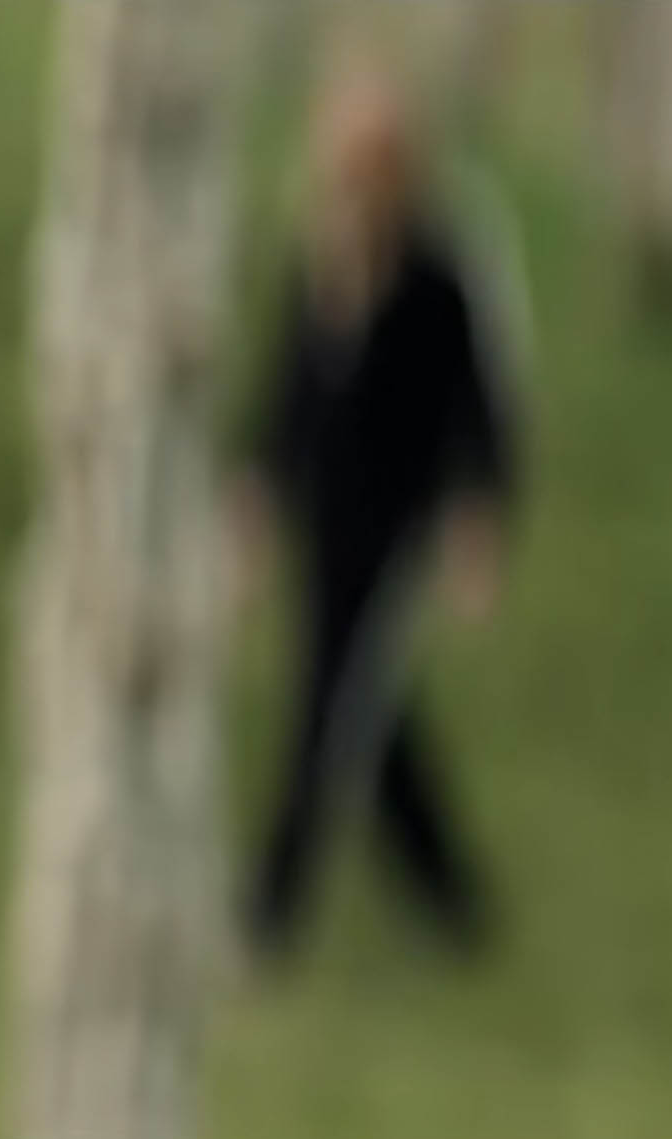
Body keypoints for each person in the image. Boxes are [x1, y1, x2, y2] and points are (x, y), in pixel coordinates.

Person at [238, 62, 517, 963]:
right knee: (370, 721)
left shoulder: (436, 279)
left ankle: (267, 914)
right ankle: (453, 906)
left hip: (396, 530)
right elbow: (287, 398)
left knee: (335, 710)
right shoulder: (320, 268)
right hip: (327, 523)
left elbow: (477, 409)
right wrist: (258, 496)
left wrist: (476, 522)